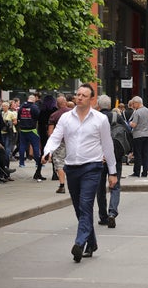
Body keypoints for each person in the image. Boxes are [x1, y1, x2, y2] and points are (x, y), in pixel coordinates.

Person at [42, 83, 117, 263]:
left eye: (84, 95)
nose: (80, 97)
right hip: (72, 168)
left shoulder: (100, 119)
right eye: (78, 94)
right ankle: (91, 242)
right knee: (78, 208)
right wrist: (47, 151)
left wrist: (112, 172)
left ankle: (79, 242)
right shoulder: (66, 118)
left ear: (91, 99)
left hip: (92, 167)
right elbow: (55, 137)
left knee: (85, 205)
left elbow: (107, 145)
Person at [96, 94, 129, 228]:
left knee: (100, 187)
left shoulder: (96, 117)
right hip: (115, 157)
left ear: (99, 105)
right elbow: (127, 131)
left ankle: (103, 216)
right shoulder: (116, 116)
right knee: (115, 185)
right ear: (109, 106)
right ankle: (112, 212)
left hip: (99, 157)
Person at [47, 95, 72, 194]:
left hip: (60, 142)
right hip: (73, 141)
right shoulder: (73, 113)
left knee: (59, 163)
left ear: (57, 104)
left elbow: (50, 132)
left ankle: (62, 185)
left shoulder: (54, 115)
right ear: (65, 102)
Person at [17, 94, 44, 180]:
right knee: (35, 146)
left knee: (22, 146)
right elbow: (38, 117)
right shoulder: (34, 107)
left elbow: (18, 117)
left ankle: (21, 163)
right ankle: (37, 162)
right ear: (33, 100)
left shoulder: (21, 107)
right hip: (32, 129)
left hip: (23, 130)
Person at [128, 96, 148, 177]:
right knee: (145, 154)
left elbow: (134, 124)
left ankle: (137, 172)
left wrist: (130, 123)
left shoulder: (137, 112)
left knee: (138, 154)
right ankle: (145, 171)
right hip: (147, 134)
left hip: (138, 135)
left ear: (137, 103)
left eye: (134, 103)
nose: (133, 105)